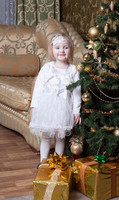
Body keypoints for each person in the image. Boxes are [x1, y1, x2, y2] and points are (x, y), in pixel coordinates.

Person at [29, 32, 81, 163]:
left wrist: (76, 111)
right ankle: (43, 162)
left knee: (60, 137)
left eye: (65, 47)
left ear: (71, 50)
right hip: (47, 108)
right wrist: (34, 106)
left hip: (64, 109)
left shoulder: (73, 70)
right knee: (46, 136)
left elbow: (76, 92)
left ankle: (58, 163)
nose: (61, 51)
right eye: (58, 48)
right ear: (52, 51)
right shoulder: (47, 68)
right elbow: (38, 88)